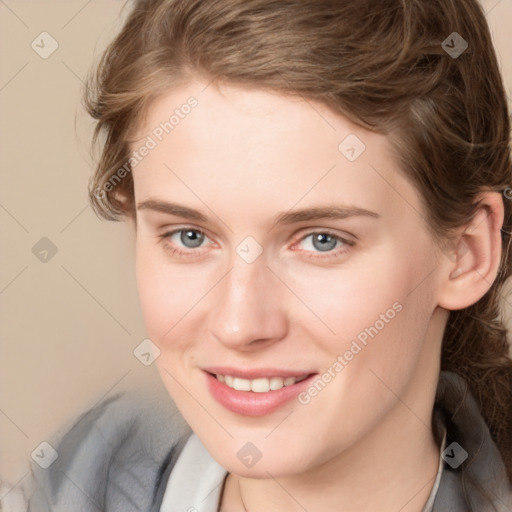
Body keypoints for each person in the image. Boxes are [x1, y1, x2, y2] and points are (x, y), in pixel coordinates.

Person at [20, 0, 512, 510]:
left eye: (322, 240)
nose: (240, 324)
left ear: (466, 253)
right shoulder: (76, 481)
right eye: (189, 236)